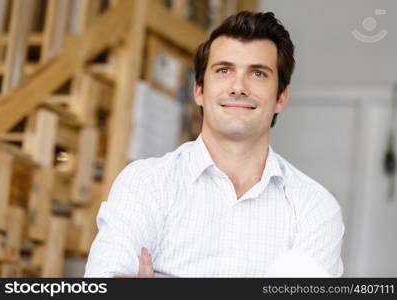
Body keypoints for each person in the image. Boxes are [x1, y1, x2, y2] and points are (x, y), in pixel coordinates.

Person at [84, 11, 344, 278]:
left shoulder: (315, 208)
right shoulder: (145, 183)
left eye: (258, 73)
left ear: (281, 97)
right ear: (199, 90)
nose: (238, 87)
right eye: (224, 70)